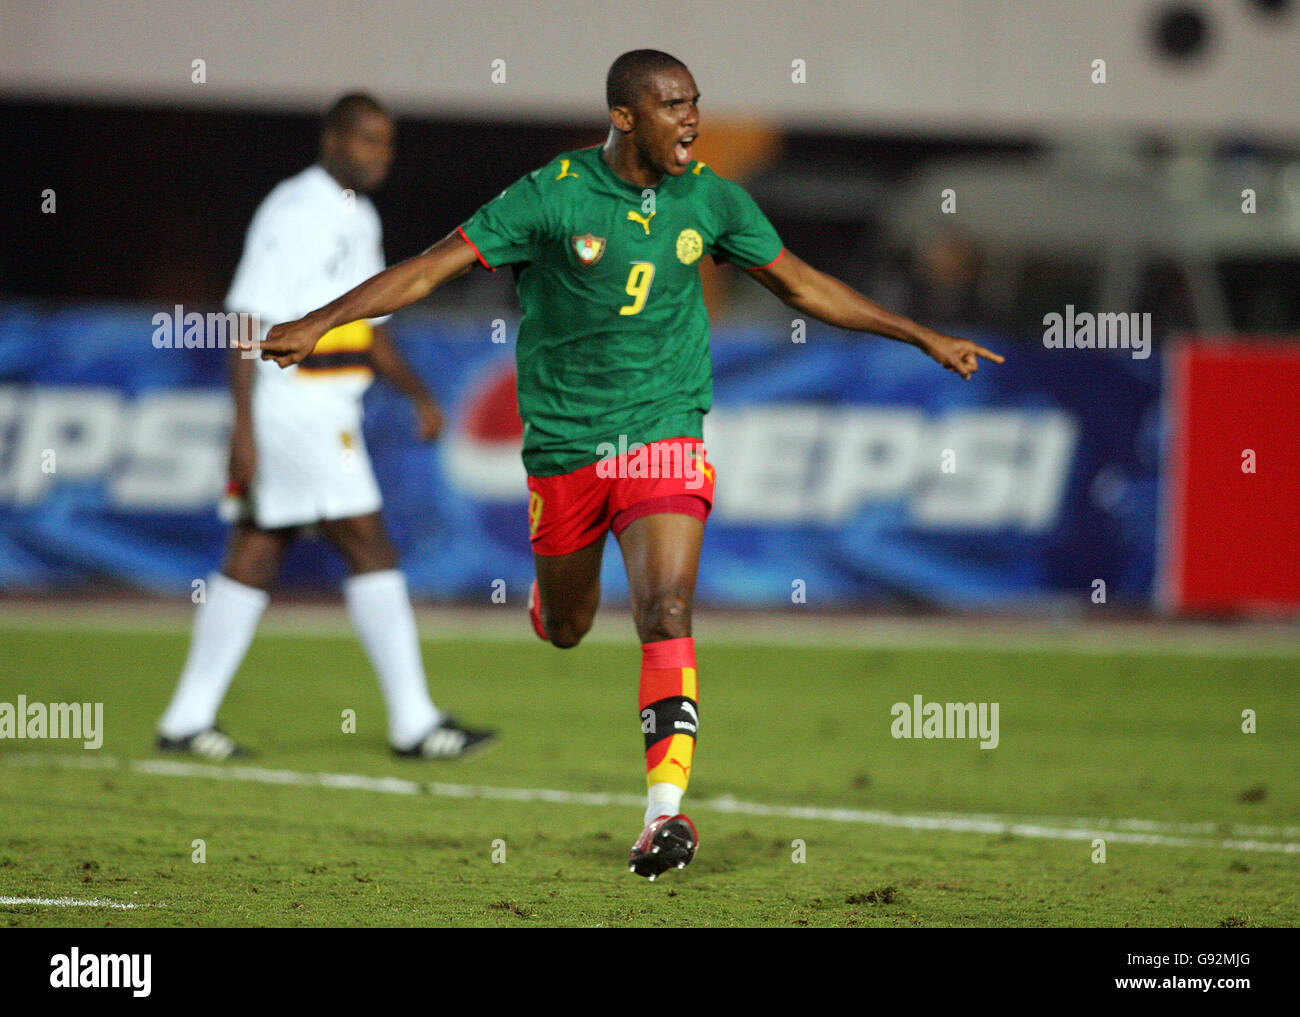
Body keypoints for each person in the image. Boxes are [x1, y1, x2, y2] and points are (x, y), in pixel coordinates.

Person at [255, 53, 1003, 879]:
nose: (690, 120)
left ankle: (664, 816)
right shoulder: (552, 193)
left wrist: (920, 333)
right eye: (673, 105)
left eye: (694, 103)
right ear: (624, 117)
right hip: (568, 447)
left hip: (665, 432)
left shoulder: (712, 198)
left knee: (669, 605)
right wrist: (321, 321)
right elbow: (433, 267)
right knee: (568, 629)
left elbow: (799, 284)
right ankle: (554, 600)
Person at [157, 93, 494, 762]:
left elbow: (362, 322)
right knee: (369, 544)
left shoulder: (357, 214)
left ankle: (186, 719)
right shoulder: (295, 209)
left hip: (324, 406)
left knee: (256, 550)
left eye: (387, 143)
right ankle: (415, 722)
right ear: (333, 141)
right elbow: (248, 317)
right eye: (367, 141)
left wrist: (417, 393)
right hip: (294, 405)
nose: (380, 156)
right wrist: (244, 429)